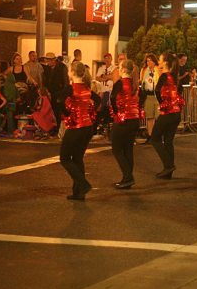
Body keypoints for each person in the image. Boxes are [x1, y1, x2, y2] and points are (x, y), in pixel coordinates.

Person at [60, 62, 101, 200]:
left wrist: (67, 113)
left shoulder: (71, 88)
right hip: (88, 127)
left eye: (69, 70)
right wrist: (91, 112)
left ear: (72, 73)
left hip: (77, 127)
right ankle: (78, 193)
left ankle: (83, 185)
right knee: (77, 158)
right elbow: (98, 100)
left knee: (65, 158)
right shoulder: (86, 88)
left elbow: (59, 101)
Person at [151, 52, 184, 178]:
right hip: (176, 113)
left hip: (168, 113)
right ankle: (168, 171)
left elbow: (157, 90)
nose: (158, 62)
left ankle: (168, 165)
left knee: (155, 138)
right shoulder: (173, 76)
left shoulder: (165, 75)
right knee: (168, 141)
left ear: (165, 62)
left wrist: (161, 103)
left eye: (159, 59)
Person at [110, 59, 141, 189]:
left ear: (123, 70)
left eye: (119, 67)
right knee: (128, 149)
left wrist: (117, 112)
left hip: (124, 119)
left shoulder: (120, 83)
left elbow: (112, 97)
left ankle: (128, 176)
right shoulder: (134, 84)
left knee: (117, 149)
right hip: (134, 119)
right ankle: (127, 178)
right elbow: (143, 95)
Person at [139, 54, 160, 140]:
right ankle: (150, 136)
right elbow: (141, 81)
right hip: (148, 95)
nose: (149, 62)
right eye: (147, 60)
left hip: (157, 96)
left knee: (158, 117)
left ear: (155, 61)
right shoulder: (144, 70)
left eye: (151, 60)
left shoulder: (159, 70)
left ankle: (158, 135)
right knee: (149, 117)